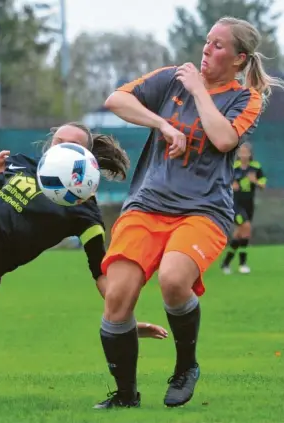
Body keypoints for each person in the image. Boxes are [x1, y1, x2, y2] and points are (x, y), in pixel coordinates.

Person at [93, 16, 284, 410]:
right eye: (207, 41)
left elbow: (224, 138)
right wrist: (163, 124)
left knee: (174, 279)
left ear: (238, 58)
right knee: (116, 299)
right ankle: (126, 396)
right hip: (146, 205)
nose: (206, 50)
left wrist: (199, 91)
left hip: (202, 211)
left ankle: (185, 367)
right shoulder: (171, 78)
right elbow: (116, 100)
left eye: (217, 45)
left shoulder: (244, 98)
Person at [0, 122, 168, 369]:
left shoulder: (84, 211)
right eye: (58, 140)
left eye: (73, 144)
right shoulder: (23, 166)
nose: (63, 146)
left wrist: (123, 318)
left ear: (87, 157)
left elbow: (100, 273)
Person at [220, 141, 266, 274]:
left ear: (250, 154)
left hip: (249, 204)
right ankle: (242, 263)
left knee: (240, 234)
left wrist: (255, 181)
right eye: (241, 151)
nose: (243, 154)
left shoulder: (256, 167)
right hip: (235, 204)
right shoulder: (234, 167)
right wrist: (231, 186)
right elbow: (223, 183)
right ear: (238, 154)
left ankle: (226, 263)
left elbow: (263, 185)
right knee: (246, 228)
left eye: (246, 152)